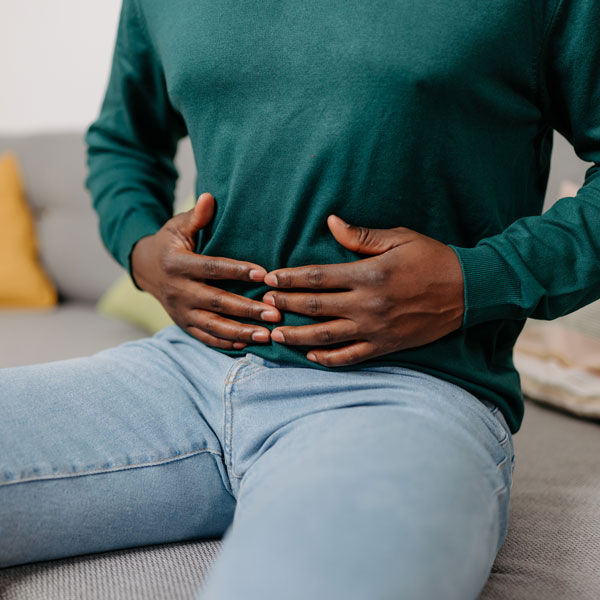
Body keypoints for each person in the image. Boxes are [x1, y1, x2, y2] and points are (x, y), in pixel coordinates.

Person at [1, 1, 599, 598]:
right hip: (181, 373)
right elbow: (122, 142)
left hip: (406, 393)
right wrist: (142, 251)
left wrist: (476, 279)